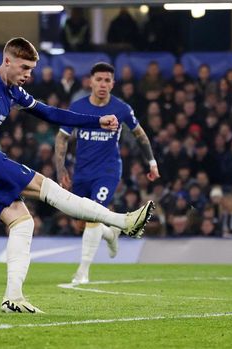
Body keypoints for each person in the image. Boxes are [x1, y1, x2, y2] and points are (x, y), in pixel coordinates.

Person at [0, 37, 155, 313]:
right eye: (23, 68)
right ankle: (123, 222)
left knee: (22, 222)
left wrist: (97, 121)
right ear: (6, 61)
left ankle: (13, 298)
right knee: (46, 187)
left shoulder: (14, 93)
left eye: (31, 70)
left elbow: (52, 114)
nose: (27, 75)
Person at [55, 62, 160, 285]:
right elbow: (62, 137)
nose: (103, 84)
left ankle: (82, 272)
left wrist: (151, 162)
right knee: (82, 222)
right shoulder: (77, 106)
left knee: (93, 216)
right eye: (99, 79)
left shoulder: (121, 108)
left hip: (108, 171)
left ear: (113, 84)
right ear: (90, 82)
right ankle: (111, 233)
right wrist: (61, 168)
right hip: (82, 172)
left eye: (107, 80)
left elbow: (140, 135)